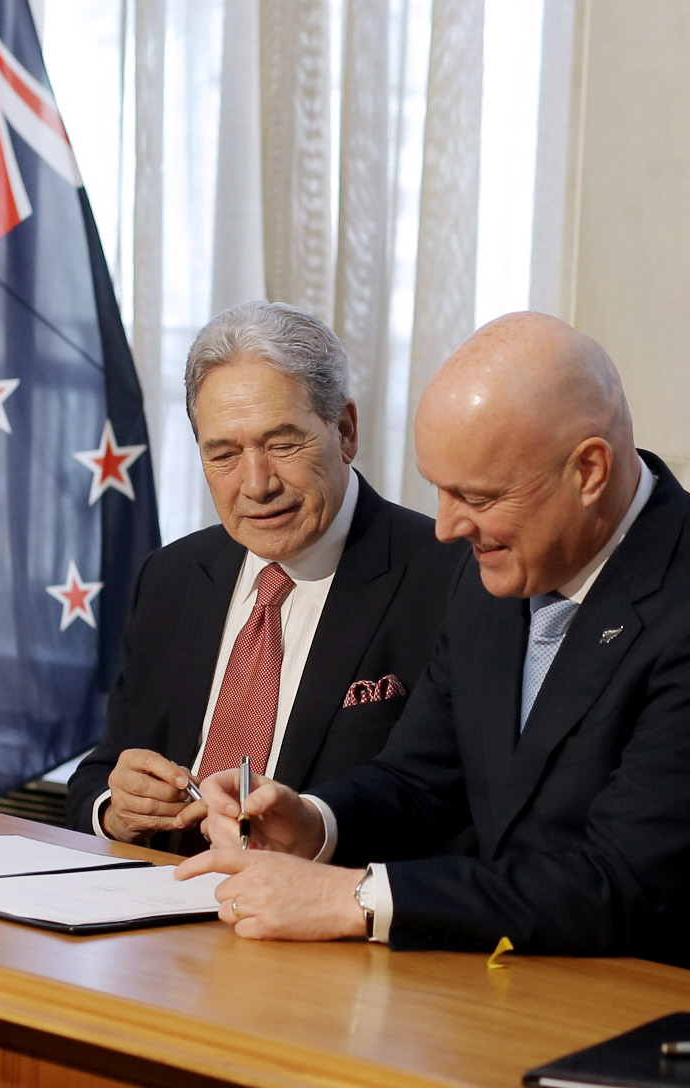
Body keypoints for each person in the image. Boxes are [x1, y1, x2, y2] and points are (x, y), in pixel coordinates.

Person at [169, 311, 690, 989]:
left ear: (589, 470)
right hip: (518, 983)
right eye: (438, 488)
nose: (448, 526)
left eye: (477, 496)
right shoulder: (494, 571)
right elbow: (419, 782)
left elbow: (620, 884)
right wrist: (312, 823)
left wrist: (353, 897)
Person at [63, 302, 464, 844]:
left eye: (282, 445)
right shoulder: (172, 577)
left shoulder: (451, 578)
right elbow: (100, 773)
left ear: (345, 431)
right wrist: (117, 807)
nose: (256, 484)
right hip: (163, 901)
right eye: (224, 455)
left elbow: (454, 807)